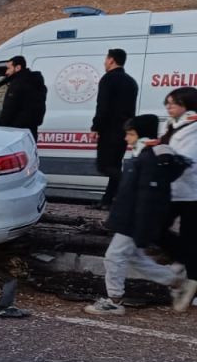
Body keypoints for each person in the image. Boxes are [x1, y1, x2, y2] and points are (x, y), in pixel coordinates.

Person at [84, 115, 189, 316]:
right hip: (131, 218)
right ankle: (175, 281)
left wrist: (141, 226)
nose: (126, 138)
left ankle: (114, 300)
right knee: (133, 257)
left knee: (114, 257)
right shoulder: (144, 156)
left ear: (141, 135)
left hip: (133, 220)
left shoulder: (148, 159)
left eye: (130, 134)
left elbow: (145, 197)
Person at [159, 86, 197, 311]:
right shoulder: (171, 125)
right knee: (156, 229)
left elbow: (185, 159)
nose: (169, 106)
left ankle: (193, 283)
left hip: (192, 192)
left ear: (188, 105)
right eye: (168, 102)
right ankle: (182, 261)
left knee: (191, 236)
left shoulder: (194, 127)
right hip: (173, 190)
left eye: (174, 103)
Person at [91, 48, 138, 208]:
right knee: (116, 164)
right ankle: (108, 201)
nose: (104, 62)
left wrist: (96, 126)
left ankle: (131, 185)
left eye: (106, 59)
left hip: (109, 129)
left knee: (104, 166)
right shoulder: (131, 81)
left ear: (111, 60)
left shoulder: (108, 79)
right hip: (124, 130)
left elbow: (102, 106)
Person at [0, 55, 47, 139]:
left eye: (9, 68)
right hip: (31, 130)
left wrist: (1, 126)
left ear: (18, 68)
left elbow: (9, 109)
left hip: (17, 131)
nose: (6, 72)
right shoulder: (36, 82)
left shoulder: (18, 84)